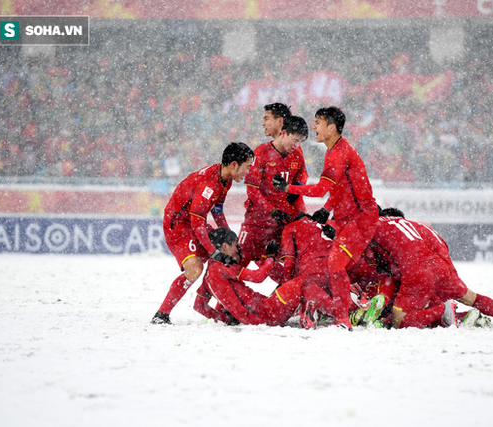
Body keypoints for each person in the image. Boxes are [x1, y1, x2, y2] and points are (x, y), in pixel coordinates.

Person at [273, 106, 378, 328]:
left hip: (360, 219)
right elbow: (338, 188)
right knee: (340, 266)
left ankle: (344, 317)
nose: (313, 127)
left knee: (336, 264)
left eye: (318, 123)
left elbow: (321, 189)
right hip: (346, 218)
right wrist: (328, 208)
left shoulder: (338, 154)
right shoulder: (333, 150)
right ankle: (352, 308)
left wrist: (288, 188)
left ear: (331, 127)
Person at [151, 142, 254, 324]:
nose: (248, 172)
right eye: (247, 167)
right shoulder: (209, 184)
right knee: (195, 268)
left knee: (229, 252)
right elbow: (197, 222)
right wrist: (213, 251)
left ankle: (222, 309)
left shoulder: (225, 179)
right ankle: (162, 314)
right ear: (233, 165)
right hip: (178, 225)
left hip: (193, 222)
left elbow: (217, 211)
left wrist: (230, 239)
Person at [379, 208, 493, 330]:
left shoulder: (395, 229)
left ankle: (443, 311)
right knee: (470, 297)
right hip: (442, 266)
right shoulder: (416, 227)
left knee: (406, 317)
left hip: (425, 268)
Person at [238, 107, 309, 267]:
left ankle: (288, 290)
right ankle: (208, 290)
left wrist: (302, 212)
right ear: (284, 133)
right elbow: (252, 190)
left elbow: (298, 189)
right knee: (236, 263)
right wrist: (271, 210)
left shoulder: (297, 154)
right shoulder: (261, 153)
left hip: (284, 219)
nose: (296, 145)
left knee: (293, 267)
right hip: (257, 220)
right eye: (295, 140)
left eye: (300, 142)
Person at [195, 228, 304, 326]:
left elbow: (199, 305)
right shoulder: (224, 266)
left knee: (287, 286)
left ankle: (306, 311)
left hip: (260, 314)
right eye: (234, 244)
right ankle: (310, 313)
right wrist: (270, 257)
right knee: (304, 279)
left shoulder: (208, 274)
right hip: (264, 314)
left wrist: (226, 318)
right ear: (225, 246)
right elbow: (258, 277)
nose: (237, 250)